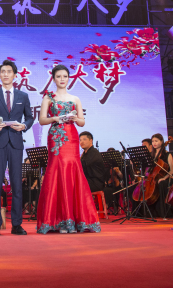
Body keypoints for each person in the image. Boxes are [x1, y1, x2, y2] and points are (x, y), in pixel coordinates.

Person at [35, 65, 100, 234]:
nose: (62, 79)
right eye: (58, 76)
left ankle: (74, 220)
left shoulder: (75, 98)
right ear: (53, 79)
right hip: (56, 137)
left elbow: (82, 122)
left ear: (69, 78)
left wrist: (74, 118)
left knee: (72, 170)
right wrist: (56, 118)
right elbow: (42, 120)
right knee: (57, 170)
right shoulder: (49, 97)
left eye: (64, 76)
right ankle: (59, 220)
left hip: (71, 136)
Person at [0, 60, 34, 236]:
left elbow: (30, 117)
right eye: (3, 71)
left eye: (9, 71)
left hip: (16, 143)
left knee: (17, 184)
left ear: (15, 75)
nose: (5, 74)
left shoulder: (23, 96)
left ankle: (17, 224)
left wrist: (24, 126)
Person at [145, 134, 173, 219]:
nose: (154, 143)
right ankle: (148, 211)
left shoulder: (167, 155)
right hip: (153, 178)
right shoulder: (151, 155)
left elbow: (171, 170)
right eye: (153, 141)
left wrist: (164, 178)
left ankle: (163, 211)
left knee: (162, 184)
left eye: (156, 141)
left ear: (161, 142)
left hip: (166, 178)